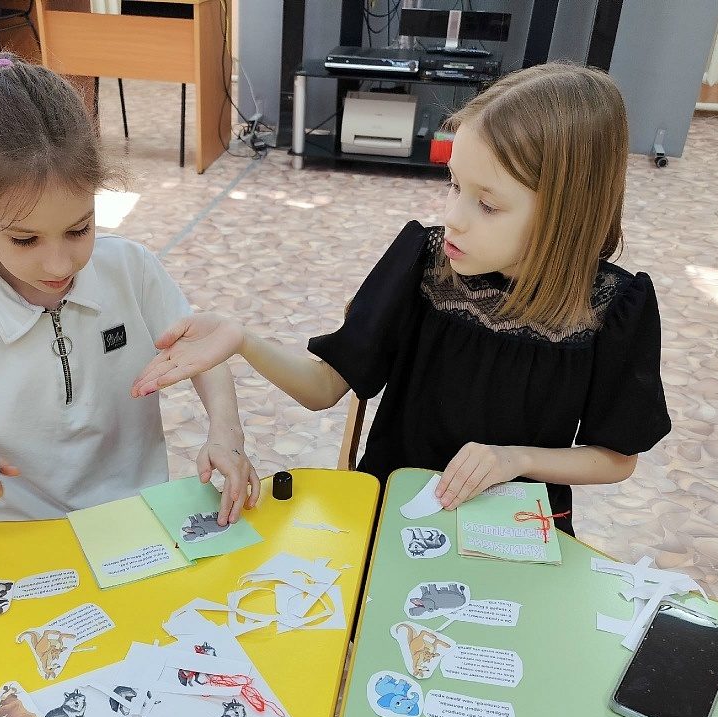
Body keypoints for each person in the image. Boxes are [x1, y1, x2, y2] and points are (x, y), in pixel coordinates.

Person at [132, 62, 671, 536]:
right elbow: (323, 389)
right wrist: (242, 340)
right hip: (396, 513)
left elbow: (616, 457)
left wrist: (515, 460)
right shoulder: (424, 263)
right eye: (453, 184)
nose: (453, 217)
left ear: (567, 212)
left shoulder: (614, 307)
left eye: (487, 205)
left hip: (515, 529)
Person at [0, 52, 259, 522]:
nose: (60, 265)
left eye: (79, 229)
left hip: (135, 514)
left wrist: (226, 433)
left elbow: (203, 354)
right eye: (25, 239)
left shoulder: (131, 268)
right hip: (17, 528)